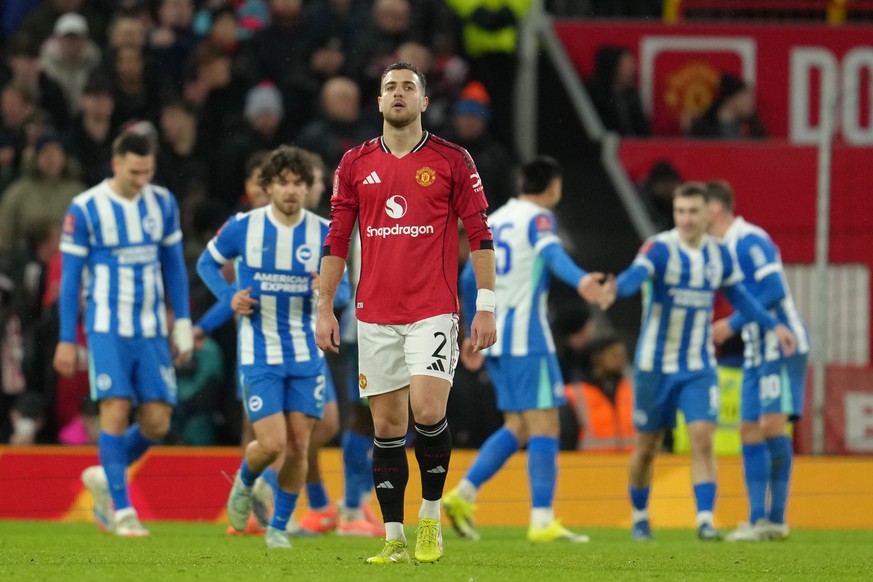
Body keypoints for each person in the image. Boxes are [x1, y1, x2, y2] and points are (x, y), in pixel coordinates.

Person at [315, 62, 497, 565]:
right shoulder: (353, 163)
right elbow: (335, 239)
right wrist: (325, 307)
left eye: (408, 87)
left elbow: (480, 234)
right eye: (390, 87)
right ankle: (393, 538)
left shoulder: (452, 159)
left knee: (429, 410)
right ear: (378, 102)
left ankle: (430, 521)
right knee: (389, 427)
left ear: (423, 102)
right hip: (374, 314)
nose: (398, 93)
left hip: (433, 309)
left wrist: (486, 306)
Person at [599, 181, 796, 541]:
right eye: (680, 212)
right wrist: (615, 288)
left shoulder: (719, 254)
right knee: (647, 448)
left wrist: (774, 325)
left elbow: (742, 298)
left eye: (693, 212)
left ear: (709, 213)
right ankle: (640, 514)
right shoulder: (660, 248)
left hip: (698, 366)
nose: (686, 219)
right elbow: (634, 277)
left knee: (702, 438)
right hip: (654, 367)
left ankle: (705, 519)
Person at [443, 156, 602, 543]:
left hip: (495, 338)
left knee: (518, 426)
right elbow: (552, 254)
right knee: (546, 423)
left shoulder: (493, 220)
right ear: (553, 187)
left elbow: (468, 274)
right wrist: (582, 282)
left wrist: (469, 329)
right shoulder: (539, 219)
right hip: (528, 339)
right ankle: (543, 519)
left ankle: (462, 496)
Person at [196, 144, 347, 549]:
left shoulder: (323, 232)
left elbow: (347, 288)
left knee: (300, 445)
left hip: (305, 353)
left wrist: (327, 291)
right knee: (273, 444)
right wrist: (229, 295)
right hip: (259, 352)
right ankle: (245, 482)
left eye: (299, 183)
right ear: (267, 187)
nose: (292, 191)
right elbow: (205, 263)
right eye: (283, 183)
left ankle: (279, 527)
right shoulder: (244, 226)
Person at [53, 130, 194, 537]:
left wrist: (182, 321)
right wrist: (67, 336)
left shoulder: (163, 201)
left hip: (150, 328)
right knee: (114, 408)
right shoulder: (86, 208)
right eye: (134, 172)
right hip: (106, 326)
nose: (141, 180)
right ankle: (123, 510)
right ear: (116, 164)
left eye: (147, 172)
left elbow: (173, 266)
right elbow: (69, 279)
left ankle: (104, 474)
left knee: (157, 423)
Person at [706, 181, 811, 542]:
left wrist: (731, 324)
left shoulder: (750, 239)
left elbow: (774, 289)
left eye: (698, 209)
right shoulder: (721, 247)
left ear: (715, 209)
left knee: (770, 426)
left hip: (780, 346)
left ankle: (777, 519)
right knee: (748, 429)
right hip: (754, 350)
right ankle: (756, 519)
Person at [560, 335, 634, 452]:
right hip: (591, 467)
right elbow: (566, 439)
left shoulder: (632, 390)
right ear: (596, 358)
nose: (621, 360)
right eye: (614, 355)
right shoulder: (575, 394)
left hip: (630, 466)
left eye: (623, 355)